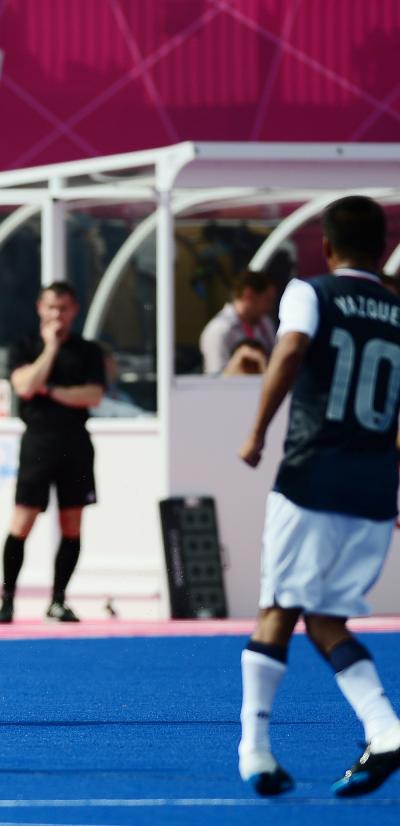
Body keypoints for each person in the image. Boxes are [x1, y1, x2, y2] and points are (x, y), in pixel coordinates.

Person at [237, 195, 400, 798]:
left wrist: (257, 431)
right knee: (326, 618)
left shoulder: (310, 292)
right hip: (375, 487)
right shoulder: (398, 309)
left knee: (277, 609)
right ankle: (385, 729)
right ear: (382, 250)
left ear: (327, 247)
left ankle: (254, 753)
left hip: (313, 475)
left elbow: (290, 351)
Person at [0, 282, 104, 624]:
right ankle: (7, 600)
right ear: (40, 308)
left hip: (76, 443)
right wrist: (51, 348)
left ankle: (58, 600)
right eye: (52, 307)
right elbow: (25, 386)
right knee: (22, 521)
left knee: (72, 524)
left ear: (75, 310)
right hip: (38, 442)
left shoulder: (88, 350)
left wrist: (52, 390)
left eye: (64, 308)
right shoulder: (25, 346)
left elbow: (93, 395)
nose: (58, 314)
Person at [199, 269, 278, 375]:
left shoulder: (265, 323)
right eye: (267, 300)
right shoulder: (219, 330)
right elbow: (215, 377)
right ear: (248, 295)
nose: (270, 307)